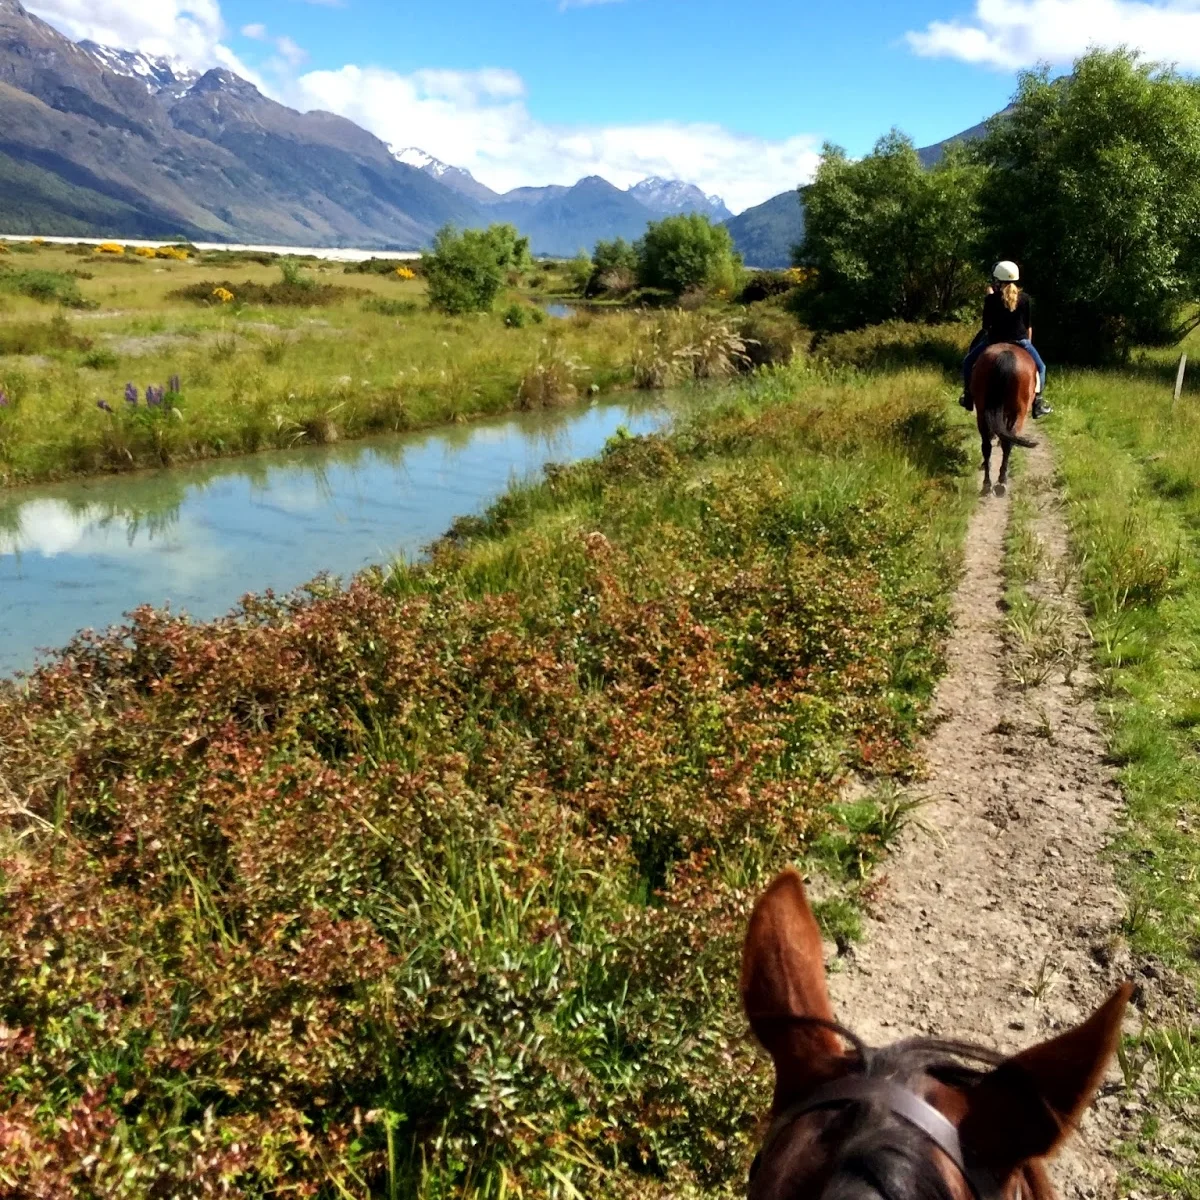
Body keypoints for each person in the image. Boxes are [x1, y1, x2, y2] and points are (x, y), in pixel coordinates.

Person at [958, 261, 1051, 418]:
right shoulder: (1026, 299)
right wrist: (1027, 343)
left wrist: (990, 299)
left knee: (967, 362)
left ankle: (968, 396)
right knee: (1041, 367)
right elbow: (1028, 326)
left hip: (994, 341)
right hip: (1021, 341)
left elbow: (986, 326)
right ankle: (1038, 403)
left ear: (997, 280)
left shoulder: (991, 299)